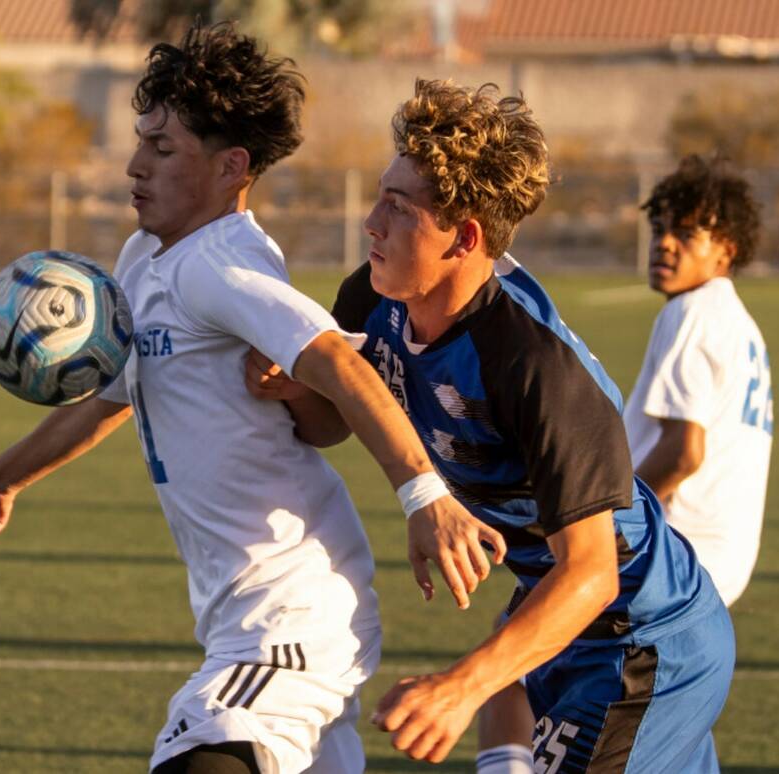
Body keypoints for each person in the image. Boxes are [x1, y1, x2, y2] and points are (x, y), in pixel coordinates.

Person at [0, 27, 504, 774]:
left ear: (230, 166)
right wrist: (7, 473)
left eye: (164, 149)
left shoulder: (222, 267)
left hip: (287, 616)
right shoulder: (146, 257)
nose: (136, 166)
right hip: (256, 616)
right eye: (141, 142)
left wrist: (424, 495)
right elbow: (114, 391)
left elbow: (336, 359)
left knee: (199, 753)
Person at [246, 79, 735, 772]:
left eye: (399, 205)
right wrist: (297, 390)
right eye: (381, 194)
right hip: (561, 624)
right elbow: (337, 422)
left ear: (465, 237)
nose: (372, 222)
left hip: (644, 638)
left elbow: (593, 574)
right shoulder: (374, 296)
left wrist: (462, 688)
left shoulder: (536, 366)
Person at [624, 155, 773, 607]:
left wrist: (610, 521)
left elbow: (684, 451)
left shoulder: (691, 311)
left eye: (686, 235)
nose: (665, 244)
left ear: (726, 250)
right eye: (660, 229)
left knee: (522, 654)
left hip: (675, 552)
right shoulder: (742, 324)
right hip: (718, 562)